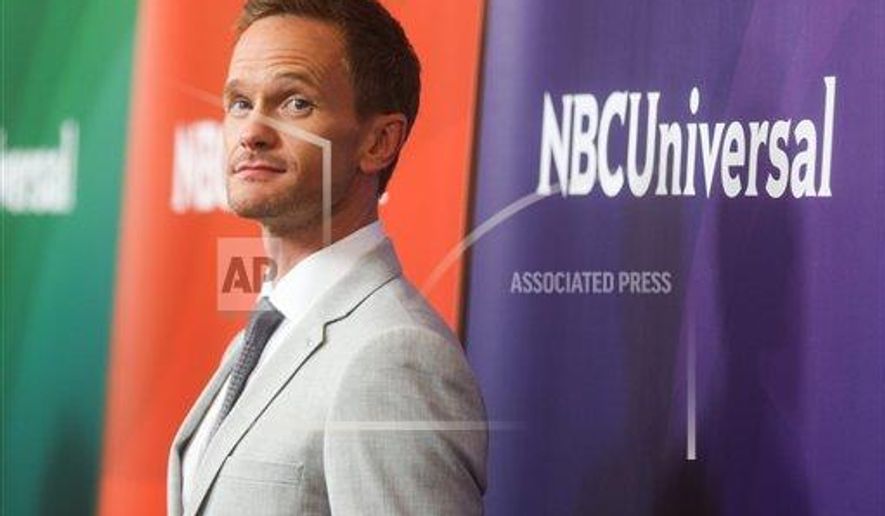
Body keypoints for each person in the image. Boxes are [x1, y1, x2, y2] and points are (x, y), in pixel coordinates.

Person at [166, 1, 488, 514]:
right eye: (240, 102)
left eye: (295, 103)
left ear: (379, 142)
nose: (251, 131)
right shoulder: (263, 335)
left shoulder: (392, 356)